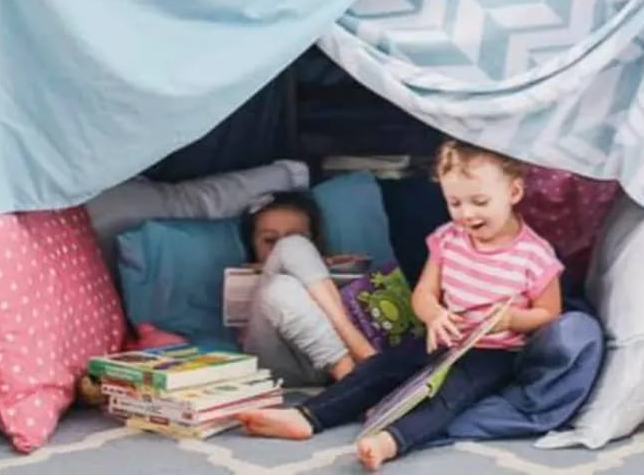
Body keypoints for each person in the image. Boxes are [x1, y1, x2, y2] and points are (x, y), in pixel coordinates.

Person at [237, 139, 564, 471]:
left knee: (450, 394)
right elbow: (422, 295)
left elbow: (550, 312)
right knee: (378, 368)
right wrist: (434, 315)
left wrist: (511, 319)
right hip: (442, 338)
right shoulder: (448, 239)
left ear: (514, 193)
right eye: (454, 202)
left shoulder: (534, 254)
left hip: (494, 352)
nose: (466, 214)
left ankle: (390, 440)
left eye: (479, 202)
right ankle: (307, 417)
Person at [240, 191, 376, 386]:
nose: (279, 248)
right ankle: (358, 365)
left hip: (326, 366)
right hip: (276, 364)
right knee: (278, 288)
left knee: (286, 274)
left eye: (302, 239)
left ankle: (354, 378)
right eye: (270, 240)